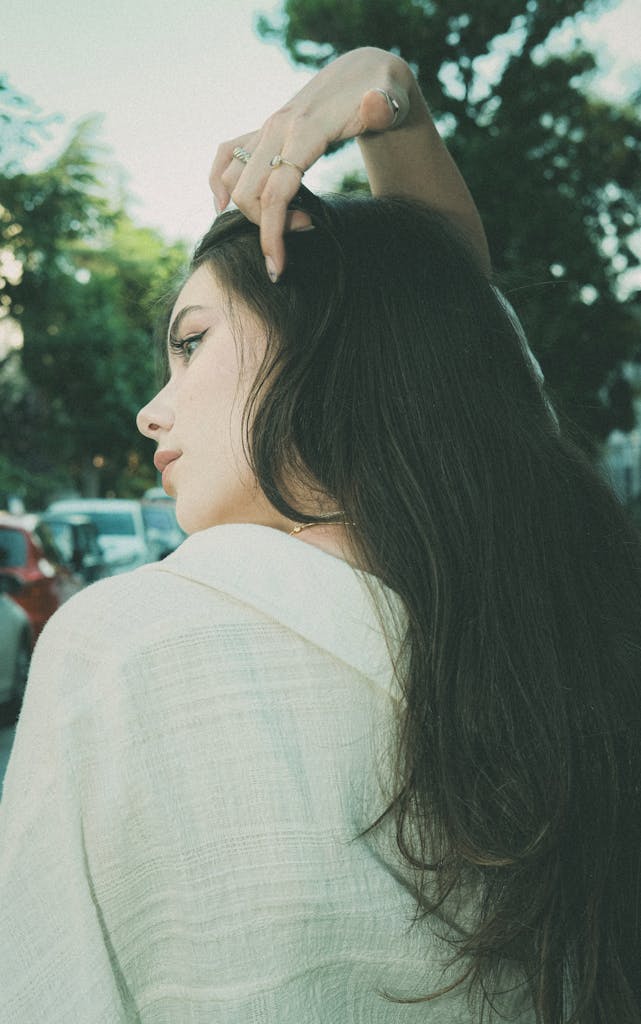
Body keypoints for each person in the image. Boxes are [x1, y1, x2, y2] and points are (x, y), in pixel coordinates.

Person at [1, 46, 640, 1024]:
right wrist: (397, 101)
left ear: (327, 341)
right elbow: (471, 354)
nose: (149, 412)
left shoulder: (121, 644)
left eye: (192, 342)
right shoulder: (549, 641)